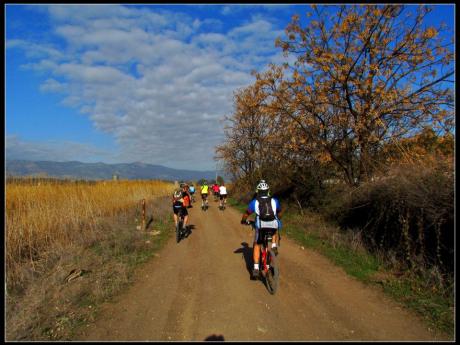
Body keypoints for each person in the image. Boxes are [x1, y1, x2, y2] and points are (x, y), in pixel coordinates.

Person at [241, 181, 282, 279]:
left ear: (258, 191)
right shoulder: (274, 201)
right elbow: (279, 213)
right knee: (276, 227)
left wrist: (243, 221)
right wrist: (278, 219)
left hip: (261, 226)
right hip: (272, 225)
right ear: (268, 191)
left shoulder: (254, 202)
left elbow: (246, 214)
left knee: (257, 244)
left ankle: (255, 268)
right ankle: (274, 245)